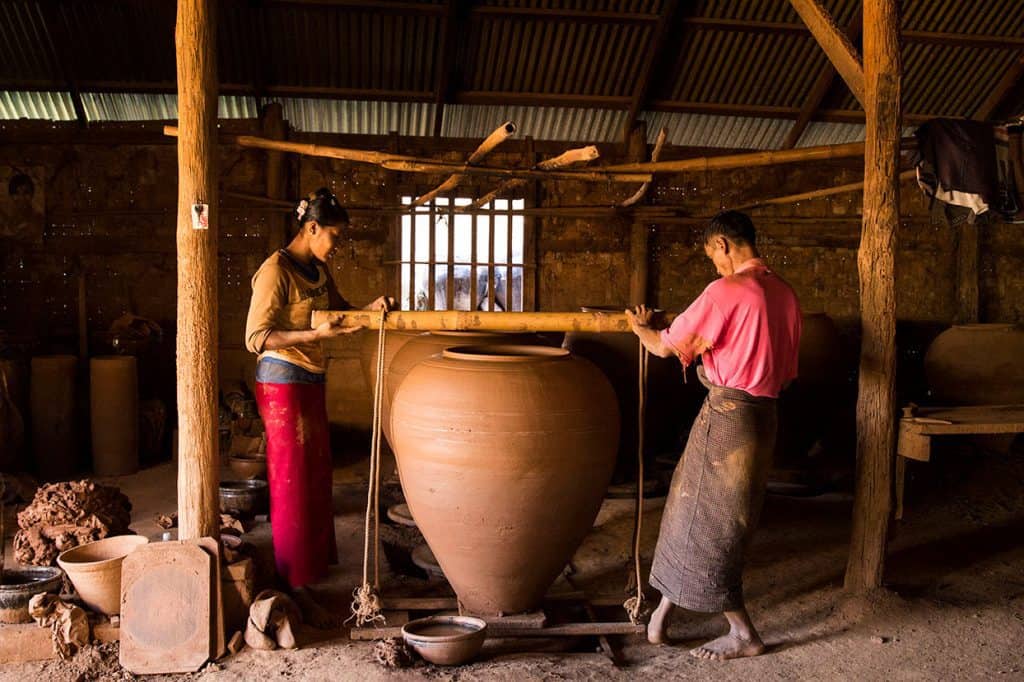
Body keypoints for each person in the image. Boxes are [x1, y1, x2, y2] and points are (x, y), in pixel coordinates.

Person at [626, 210, 801, 660]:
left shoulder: (727, 290)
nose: (714, 266)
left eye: (712, 256)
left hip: (729, 418)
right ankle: (660, 619)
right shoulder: (784, 293)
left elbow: (665, 347)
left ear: (722, 244)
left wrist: (639, 327)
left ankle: (744, 633)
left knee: (711, 527)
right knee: (692, 515)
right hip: (765, 417)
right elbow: (782, 368)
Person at [245, 187, 391, 626]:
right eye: (333, 235)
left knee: (315, 474)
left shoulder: (317, 269)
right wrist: (314, 337)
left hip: (310, 378)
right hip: (281, 382)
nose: (336, 244)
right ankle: (292, 581)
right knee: (291, 480)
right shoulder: (275, 272)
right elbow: (257, 337)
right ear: (311, 229)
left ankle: (311, 569)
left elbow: (340, 312)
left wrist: (371, 309)